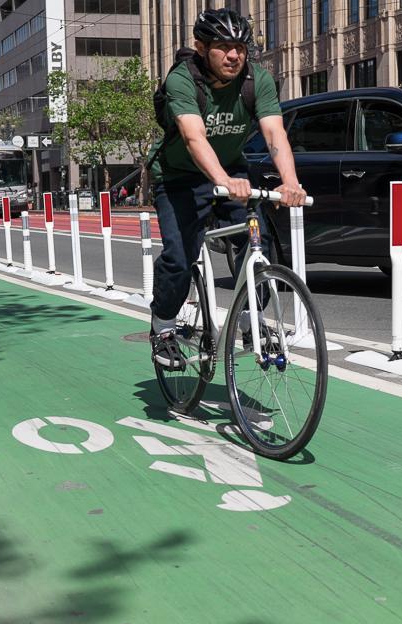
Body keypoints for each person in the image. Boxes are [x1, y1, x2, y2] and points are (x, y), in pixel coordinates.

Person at [147, 8, 306, 370]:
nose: (234, 55)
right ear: (201, 47)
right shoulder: (182, 81)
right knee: (179, 256)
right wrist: (220, 179)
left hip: (232, 170)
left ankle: (252, 319)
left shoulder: (256, 79)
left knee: (258, 242)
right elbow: (192, 136)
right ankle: (164, 328)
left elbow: (274, 132)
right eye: (223, 47)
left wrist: (290, 181)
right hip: (179, 176)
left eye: (240, 47)